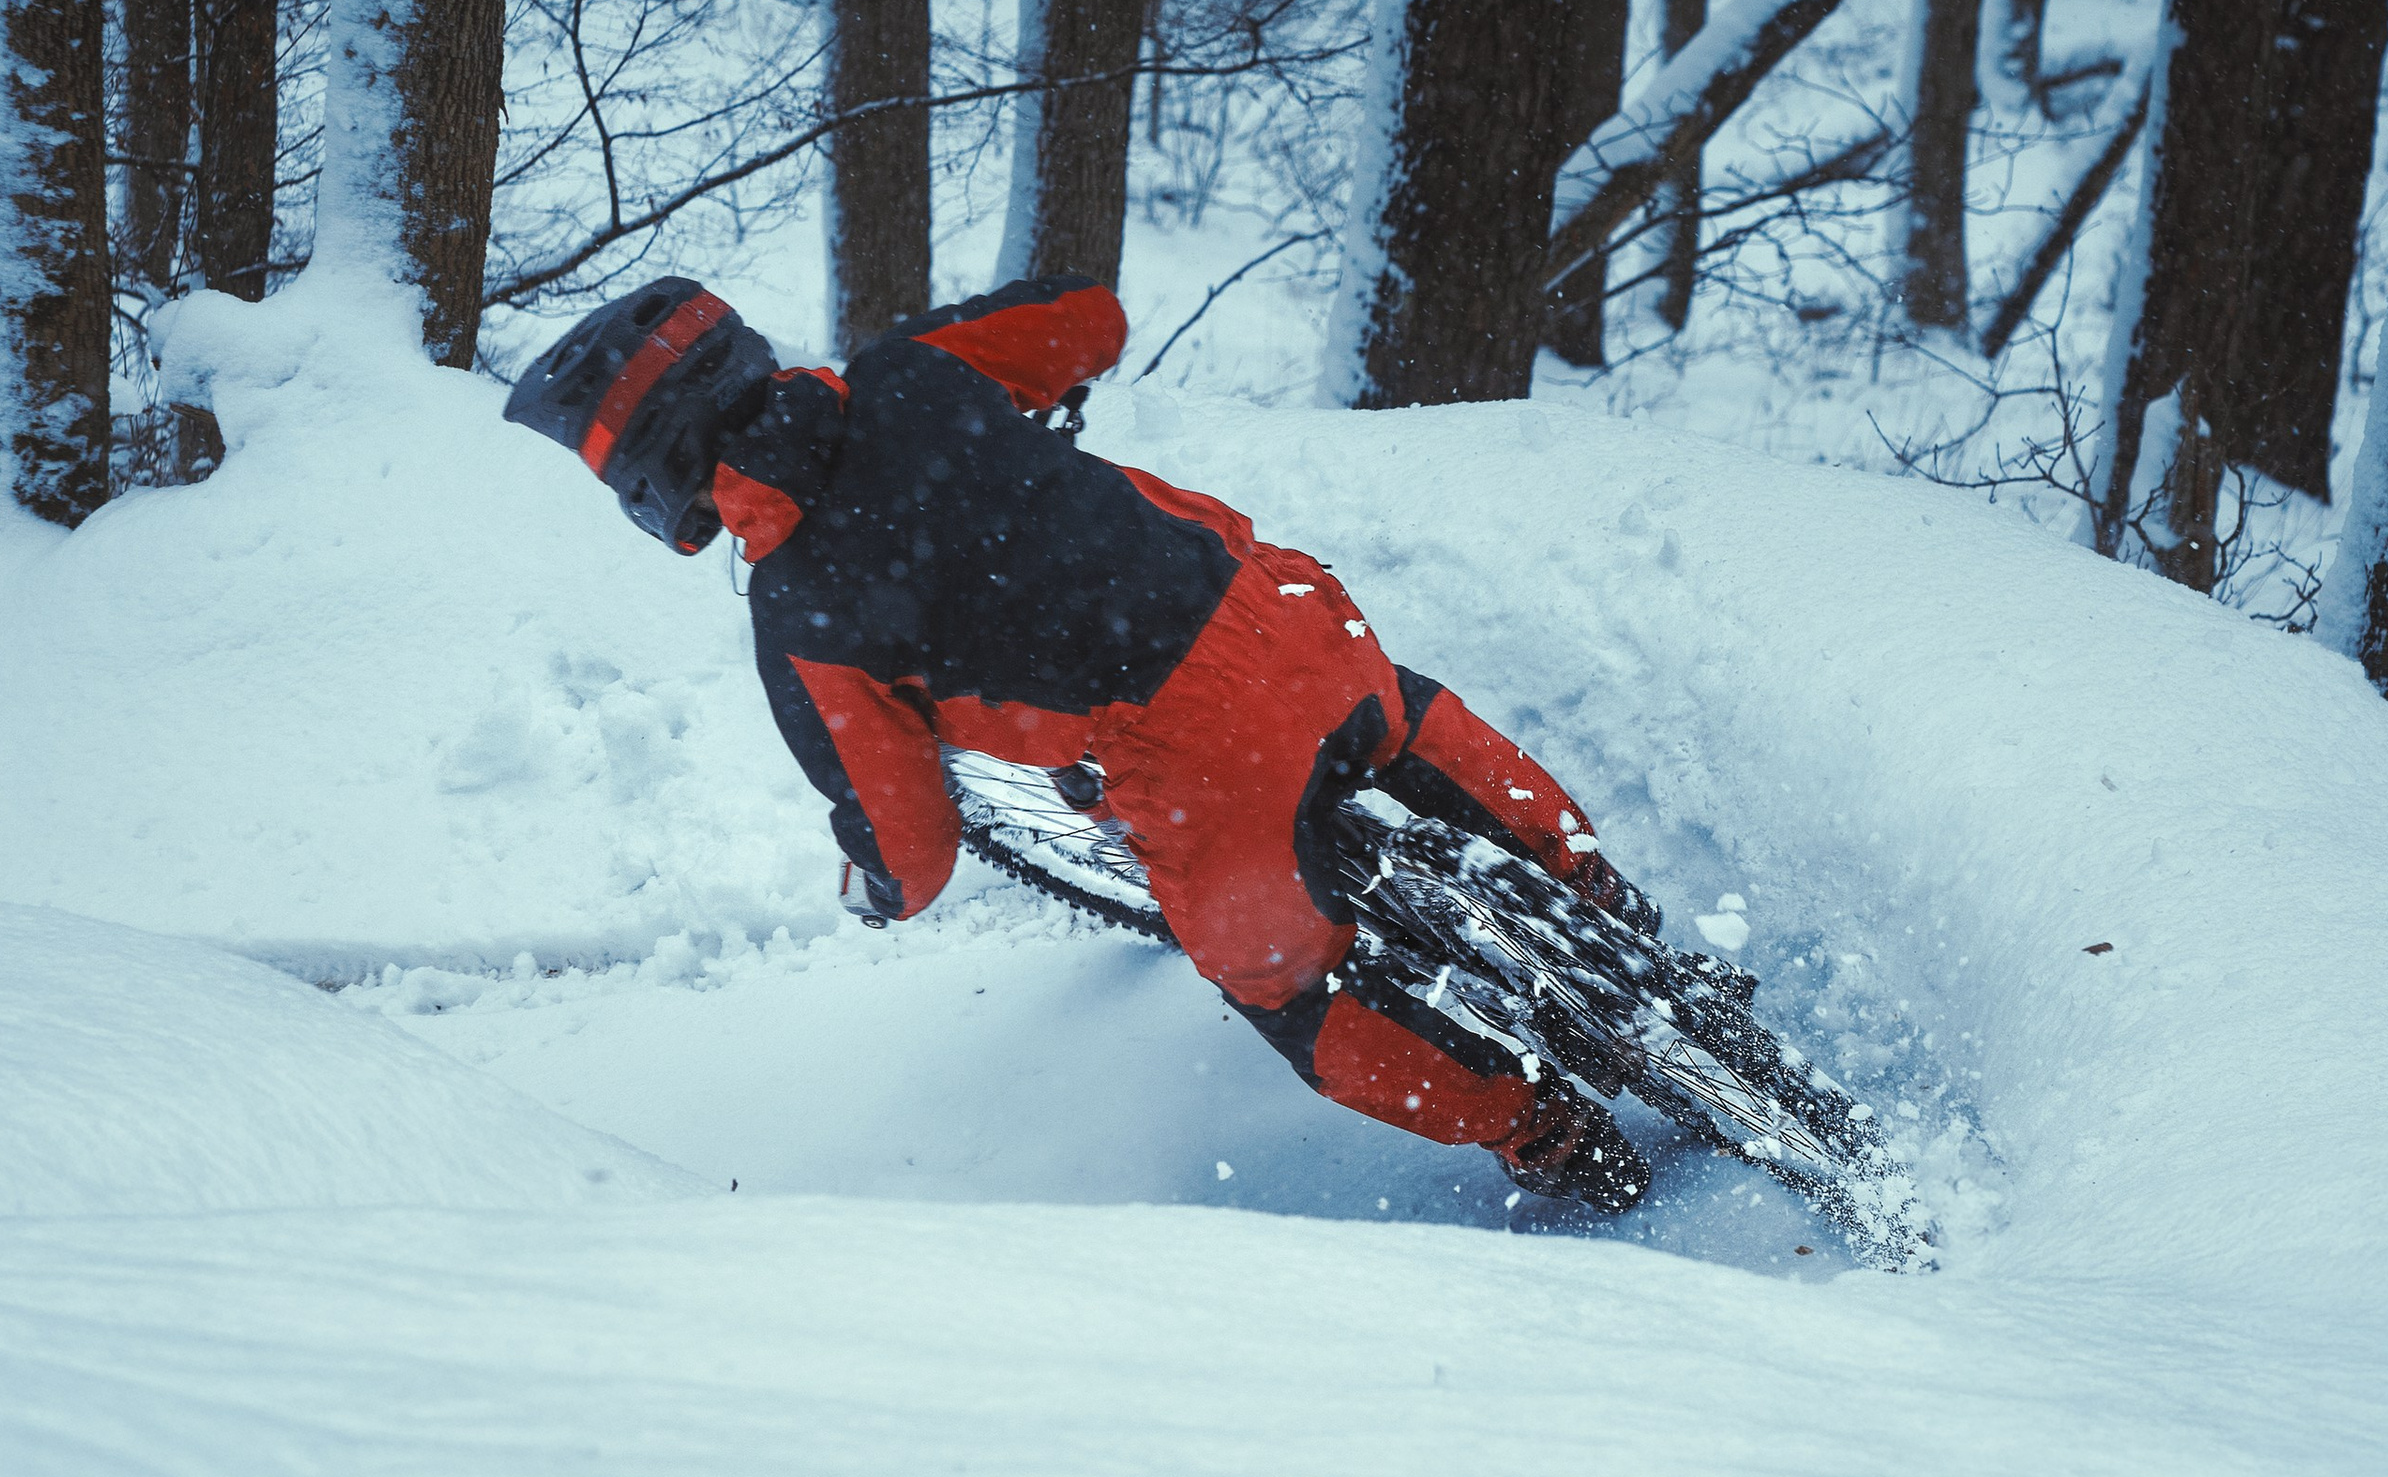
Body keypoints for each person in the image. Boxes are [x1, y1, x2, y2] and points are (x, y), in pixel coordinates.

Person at [505, 273, 1658, 1214]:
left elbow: (914, 848)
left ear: (657, 477)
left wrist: (873, 881)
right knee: (1402, 716)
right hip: (1285, 611)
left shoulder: (802, 613)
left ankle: (1545, 1132)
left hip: (1207, 761)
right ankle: (1588, 881)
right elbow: (1090, 318)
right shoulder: (911, 370)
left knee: (1288, 993)